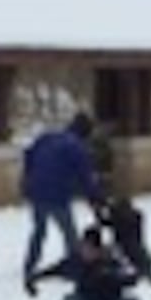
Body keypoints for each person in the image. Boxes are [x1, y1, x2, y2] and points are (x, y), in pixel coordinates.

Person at [22, 112, 102, 290]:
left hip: (36, 191)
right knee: (69, 233)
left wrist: (29, 179)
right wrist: (96, 200)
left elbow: (28, 155)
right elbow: (86, 178)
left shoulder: (48, 137)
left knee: (38, 231)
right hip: (57, 194)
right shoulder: (77, 148)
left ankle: (29, 266)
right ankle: (75, 268)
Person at [29, 226, 141, 300]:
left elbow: (131, 278)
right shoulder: (75, 261)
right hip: (85, 299)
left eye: (90, 249)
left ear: (98, 249)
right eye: (84, 248)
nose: (86, 252)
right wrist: (34, 278)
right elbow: (56, 270)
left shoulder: (111, 260)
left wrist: (113, 276)